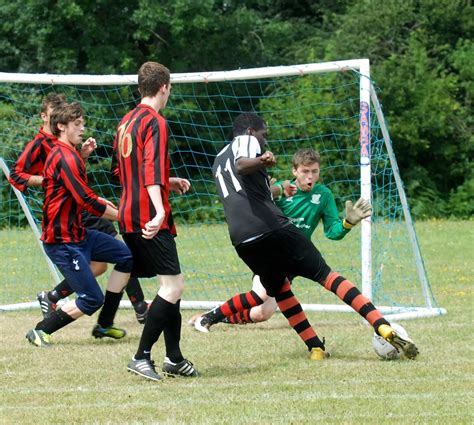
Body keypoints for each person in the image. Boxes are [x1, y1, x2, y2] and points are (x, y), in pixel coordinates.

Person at [194, 112, 419, 361]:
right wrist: (263, 161)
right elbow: (242, 164)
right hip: (273, 229)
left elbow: (245, 188)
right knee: (328, 278)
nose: (264, 141)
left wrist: (345, 221)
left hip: (242, 238)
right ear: (249, 131)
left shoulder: (217, 159)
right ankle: (381, 325)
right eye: (263, 135)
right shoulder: (246, 142)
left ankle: (315, 348)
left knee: (279, 290)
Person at [8, 93, 148, 326]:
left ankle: (57, 298)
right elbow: (16, 175)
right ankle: (135, 308)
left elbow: (76, 184)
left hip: (77, 208)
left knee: (106, 262)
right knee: (113, 259)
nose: (79, 126)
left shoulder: (67, 146)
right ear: (50, 119)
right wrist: (47, 181)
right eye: (57, 115)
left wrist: (81, 156)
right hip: (67, 214)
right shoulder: (43, 144)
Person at [191, 148, 365, 326]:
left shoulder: (324, 195)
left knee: (262, 314)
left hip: (296, 255)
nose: (310, 177)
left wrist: (347, 223)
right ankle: (211, 317)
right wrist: (269, 192)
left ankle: (217, 316)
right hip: (270, 253)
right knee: (260, 296)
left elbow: (332, 232)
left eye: (315, 171)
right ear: (294, 171)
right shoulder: (281, 190)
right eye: (305, 171)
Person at [113, 61, 198, 381]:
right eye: (170, 88)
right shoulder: (155, 122)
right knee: (173, 286)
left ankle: (174, 357)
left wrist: (168, 180)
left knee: (169, 285)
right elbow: (148, 169)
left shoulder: (125, 122)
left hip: (127, 212)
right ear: (164, 87)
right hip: (148, 215)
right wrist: (160, 208)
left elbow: (123, 171)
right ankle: (141, 356)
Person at [26, 102, 133, 347]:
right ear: (61, 126)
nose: (82, 128)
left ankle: (105, 324)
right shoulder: (63, 157)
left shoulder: (70, 154)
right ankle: (41, 330)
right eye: (77, 124)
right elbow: (85, 200)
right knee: (91, 299)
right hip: (61, 242)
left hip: (80, 235)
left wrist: (83, 157)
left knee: (125, 256)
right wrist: (124, 216)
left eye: (83, 123)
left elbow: (80, 193)